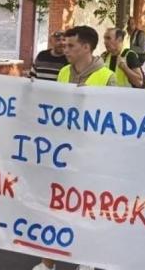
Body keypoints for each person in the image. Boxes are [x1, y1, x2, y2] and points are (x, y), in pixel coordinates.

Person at [36, 26, 117, 270]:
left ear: (86, 48)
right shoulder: (62, 73)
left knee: (86, 210)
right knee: (54, 207)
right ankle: (47, 263)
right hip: (61, 155)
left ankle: (86, 261)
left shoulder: (107, 77)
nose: (64, 48)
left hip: (90, 157)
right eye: (64, 44)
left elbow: (114, 120)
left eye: (71, 45)